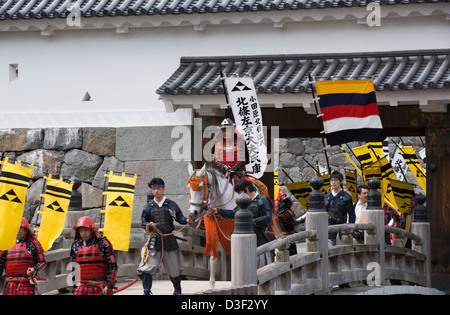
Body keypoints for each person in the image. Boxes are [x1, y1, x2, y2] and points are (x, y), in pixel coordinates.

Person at [140, 177, 192, 295]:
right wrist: (149, 225)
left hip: (169, 240)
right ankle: (146, 292)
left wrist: (187, 220)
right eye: (153, 189)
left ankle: (177, 290)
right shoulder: (149, 206)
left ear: (163, 189)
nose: (156, 191)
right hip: (154, 240)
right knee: (147, 268)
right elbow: (143, 221)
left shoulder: (170, 204)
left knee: (174, 268)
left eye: (158, 188)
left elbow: (180, 218)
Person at [212, 178, 273, 266]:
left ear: (246, 190)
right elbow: (234, 213)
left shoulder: (262, 199)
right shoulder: (244, 202)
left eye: (240, 193)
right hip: (246, 239)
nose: (240, 195)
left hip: (260, 238)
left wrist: (253, 222)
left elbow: (268, 217)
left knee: (262, 266)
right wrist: (218, 211)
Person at [70, 216, 118, 295]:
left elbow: (112, 266)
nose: (83, 233)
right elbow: (74, 268)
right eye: (81, 230)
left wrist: (109, 285)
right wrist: (75, 286)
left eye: (86, 230)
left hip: (100, 286)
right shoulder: (76, 245)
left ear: (92, 230)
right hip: (81, 286)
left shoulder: (103, 244)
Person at [0, 218, 47, 295]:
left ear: (25, 230)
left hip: (26, 284)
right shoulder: (6, 244)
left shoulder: (33, 244)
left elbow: (42, 262)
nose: (18, 231)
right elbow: (0, 266)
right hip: (10, 285)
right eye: (16, 228)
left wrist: (34, 269)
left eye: (20, 228)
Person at [325, 171, 355, 246]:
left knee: (342, 248)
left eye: (336, 180)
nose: (333, 182)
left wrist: (351, 228)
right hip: (329, 226)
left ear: (340, 182)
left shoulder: (346, 197)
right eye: (332, 180)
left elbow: (351, 214)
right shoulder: (326, 197)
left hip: (342, 226)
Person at [274, 191, 298, 255]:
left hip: (285, 232)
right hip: (287, 233)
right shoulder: (286, 213)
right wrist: (301, 221)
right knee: (291, 252)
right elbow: (292, 223)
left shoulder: (284, 212)